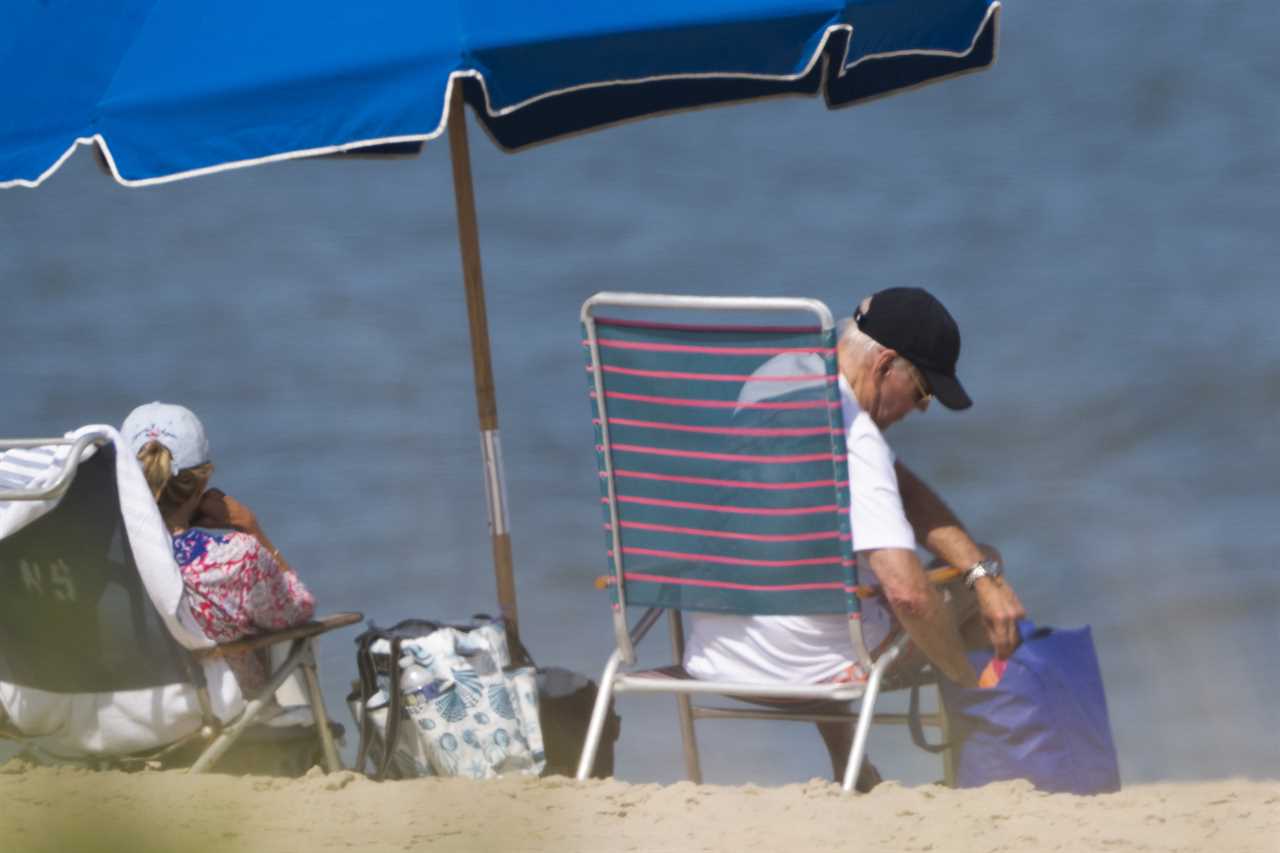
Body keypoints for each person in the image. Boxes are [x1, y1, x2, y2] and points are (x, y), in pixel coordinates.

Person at [682, 287, 1026, 786]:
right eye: (923, 391)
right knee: (960, 582)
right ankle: (983, 768)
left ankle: (852, 768)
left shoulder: (773, 380)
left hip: (714, 653)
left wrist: (975, 567)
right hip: (813, 669)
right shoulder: (856, 439)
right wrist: (963, 669)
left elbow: (894, 481)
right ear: (885, 364)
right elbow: (908, 596)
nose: (922, 409)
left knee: (827, 577)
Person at [121, 402, 316, 695]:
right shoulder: (233, 558)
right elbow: (299, 609)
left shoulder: (105, 555)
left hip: (116, 717)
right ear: (203, 480)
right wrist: (253, 529)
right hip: (222, 720)